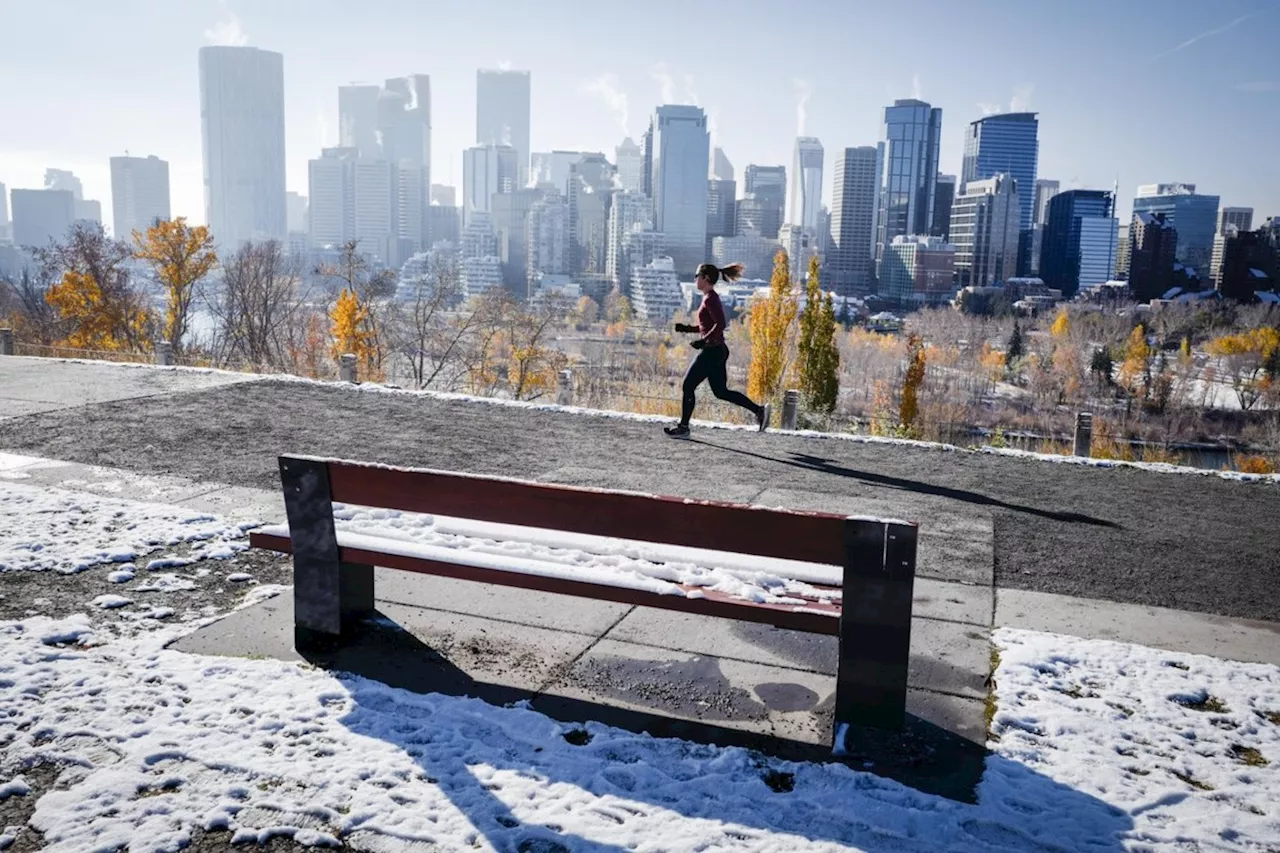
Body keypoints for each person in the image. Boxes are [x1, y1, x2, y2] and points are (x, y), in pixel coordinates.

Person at [664, 262, 770, 439]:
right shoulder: (709, 297)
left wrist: (703, 341)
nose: (695, 279)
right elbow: (708, 325)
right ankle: (759, 410)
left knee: (688, 385)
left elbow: (720, 324)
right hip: (718, 350)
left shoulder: (710, 298)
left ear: (705, 278)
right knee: (721, 392)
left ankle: (683, 427)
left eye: (697, 276)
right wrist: (687, 329)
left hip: (712, 351)